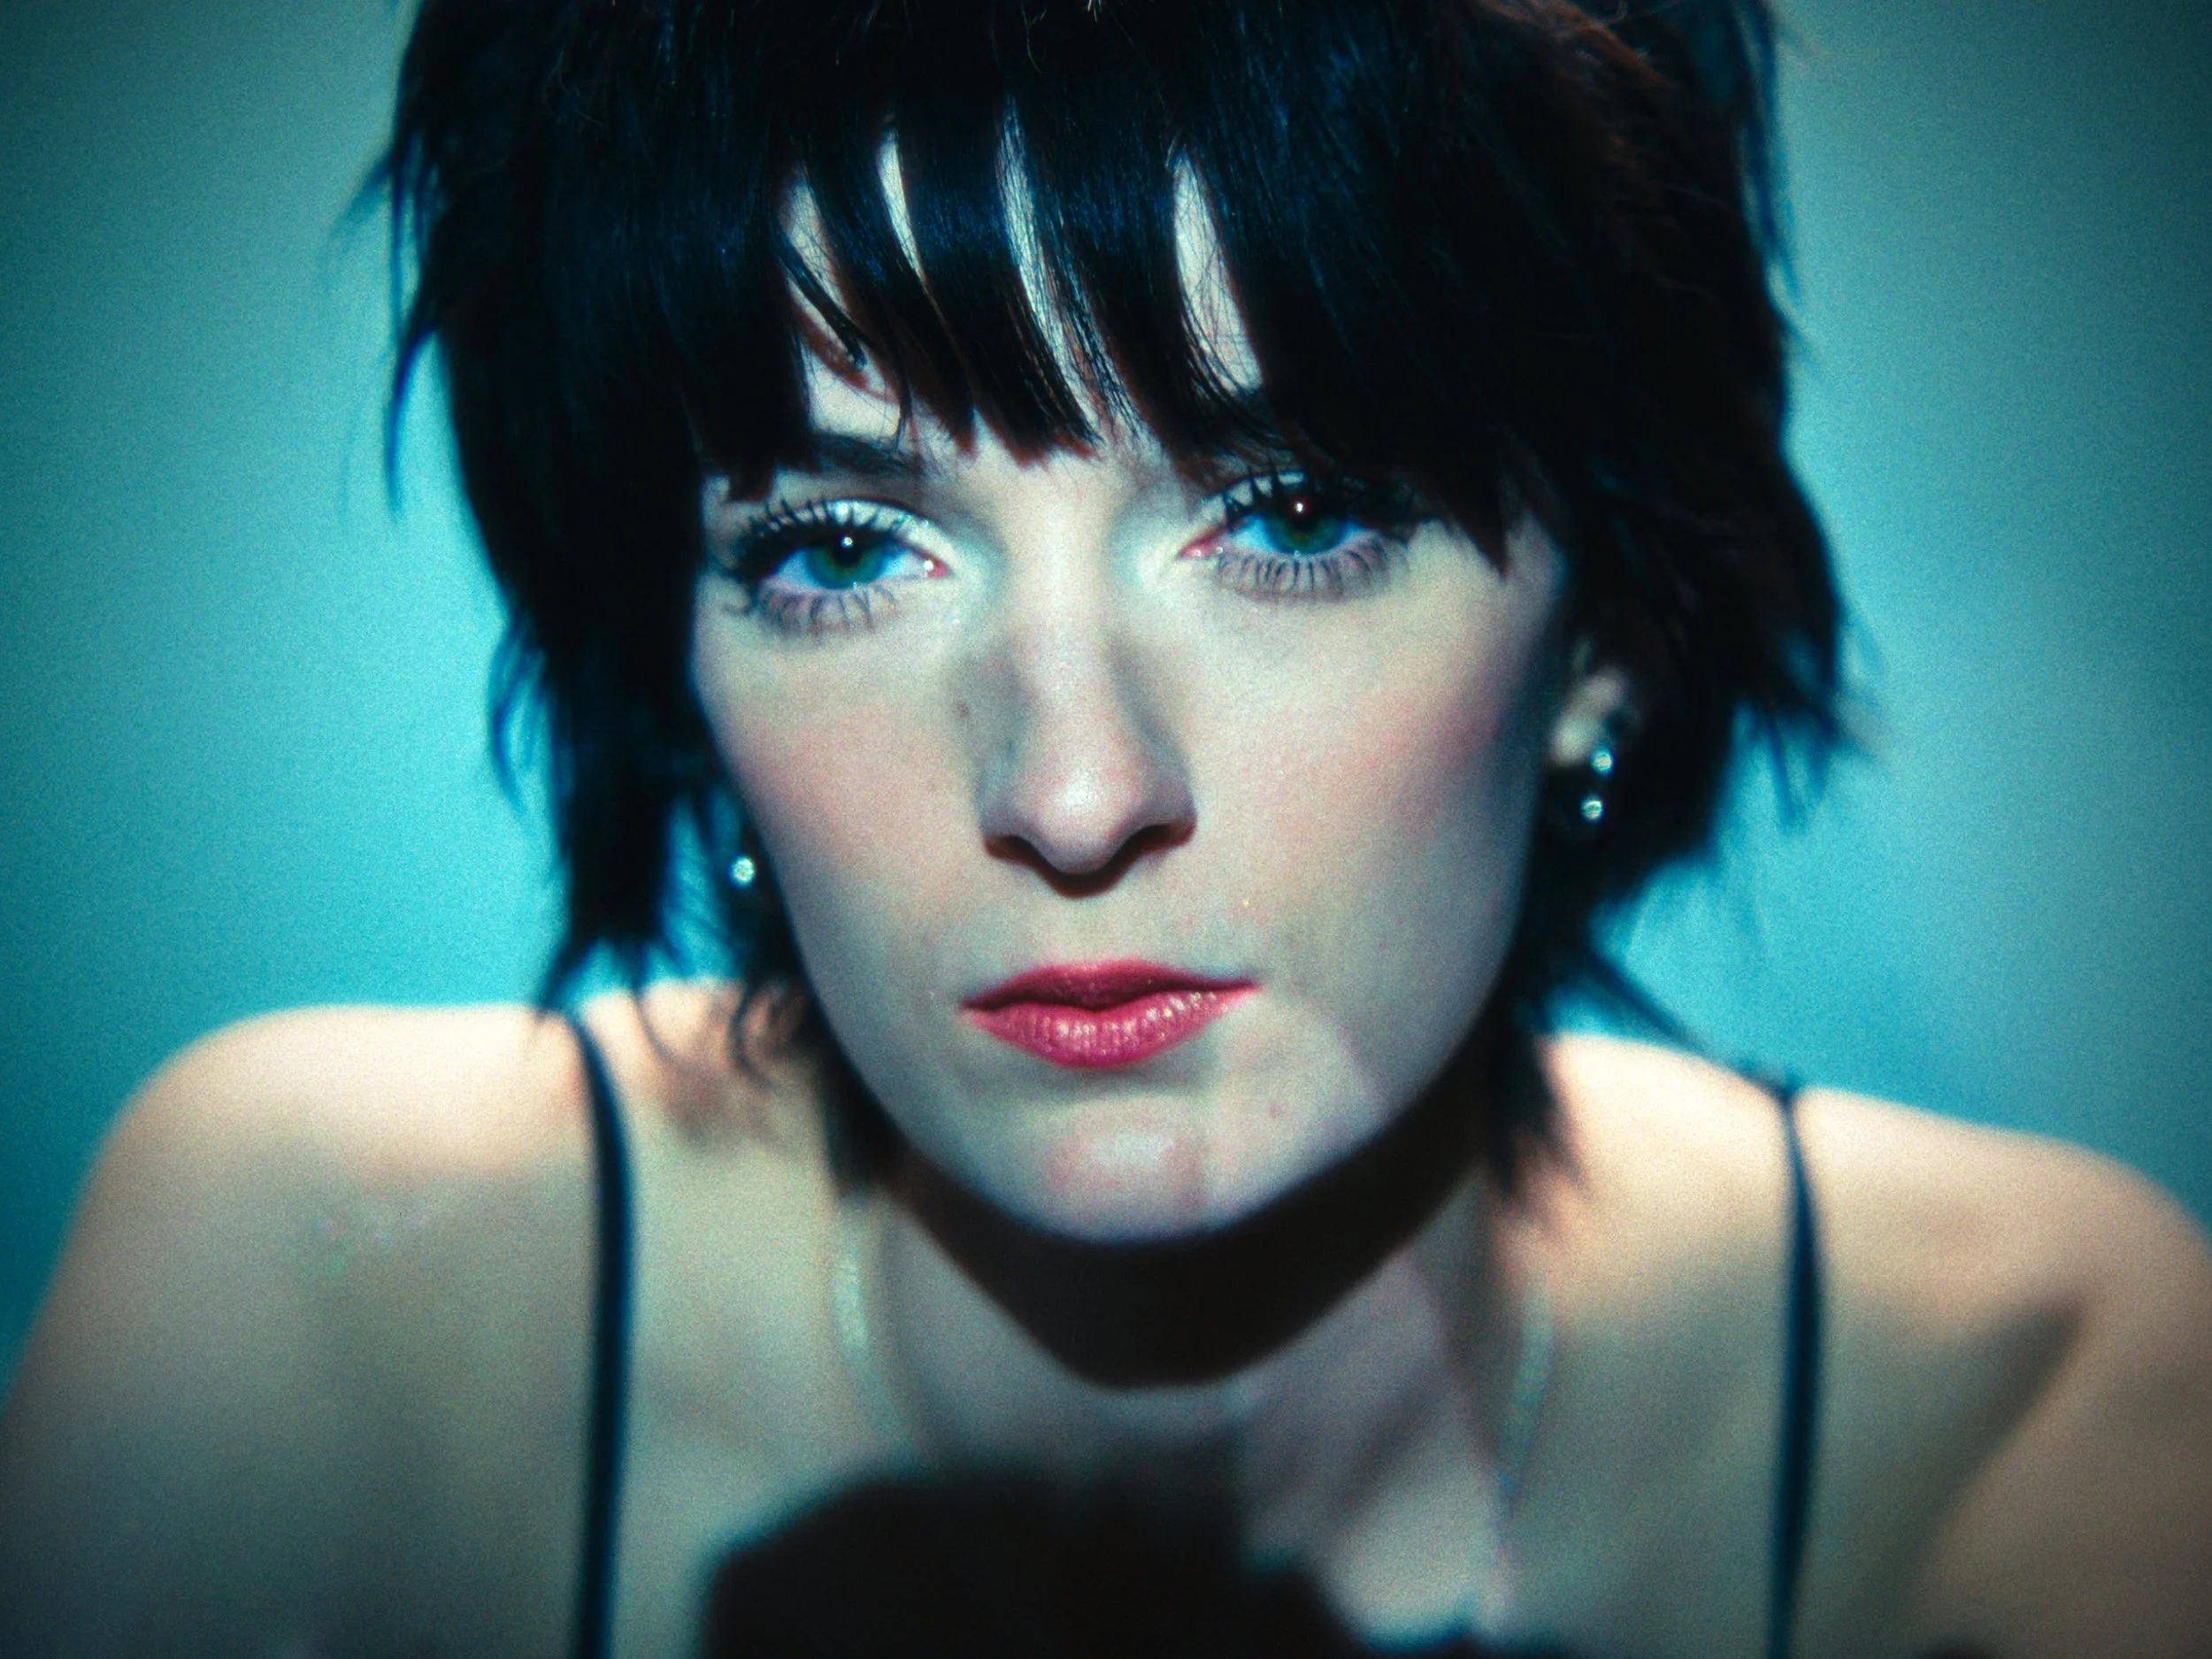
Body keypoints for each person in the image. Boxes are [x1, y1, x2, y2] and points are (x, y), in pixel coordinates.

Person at [2, 1, 2208, 1655]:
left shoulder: (2022, 1393)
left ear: (1609, 628)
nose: (1067, 793)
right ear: (667, 659)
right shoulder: (313, 1298)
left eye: (1292, 514)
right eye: (843, 553)